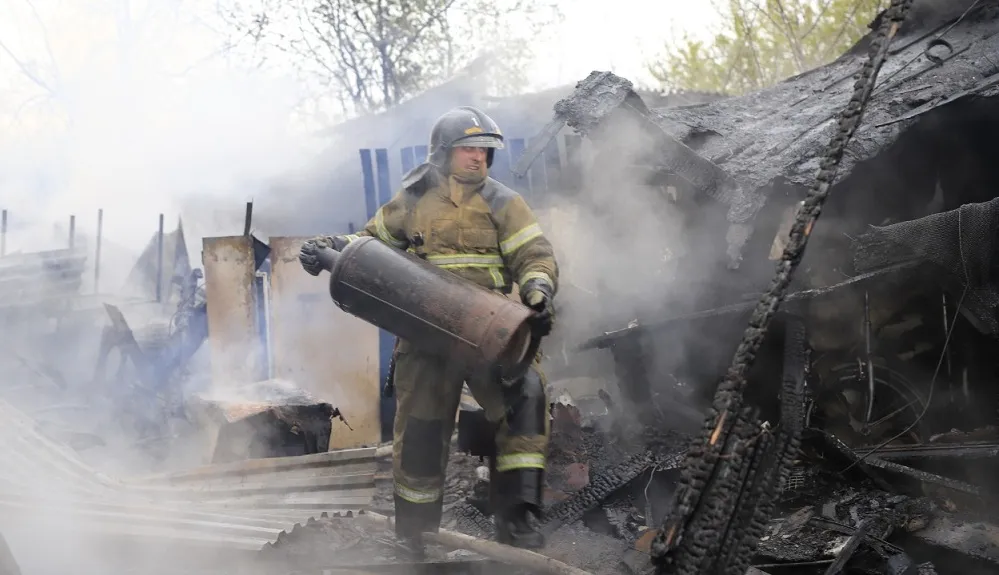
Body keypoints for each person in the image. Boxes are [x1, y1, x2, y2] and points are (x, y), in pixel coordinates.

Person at [298, 106, 558, 552]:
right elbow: (368, 245)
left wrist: (538, 290)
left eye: (484, 150)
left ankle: (518, 523)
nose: (478, 158)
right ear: (443, 153)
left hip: (490, 333)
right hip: (425, 336)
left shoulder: (504, 203)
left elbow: (534, 254)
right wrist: (329, 248)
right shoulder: (412, 201)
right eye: (468, 149)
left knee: (526, 399)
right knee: (420, 429)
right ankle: (416, 534)